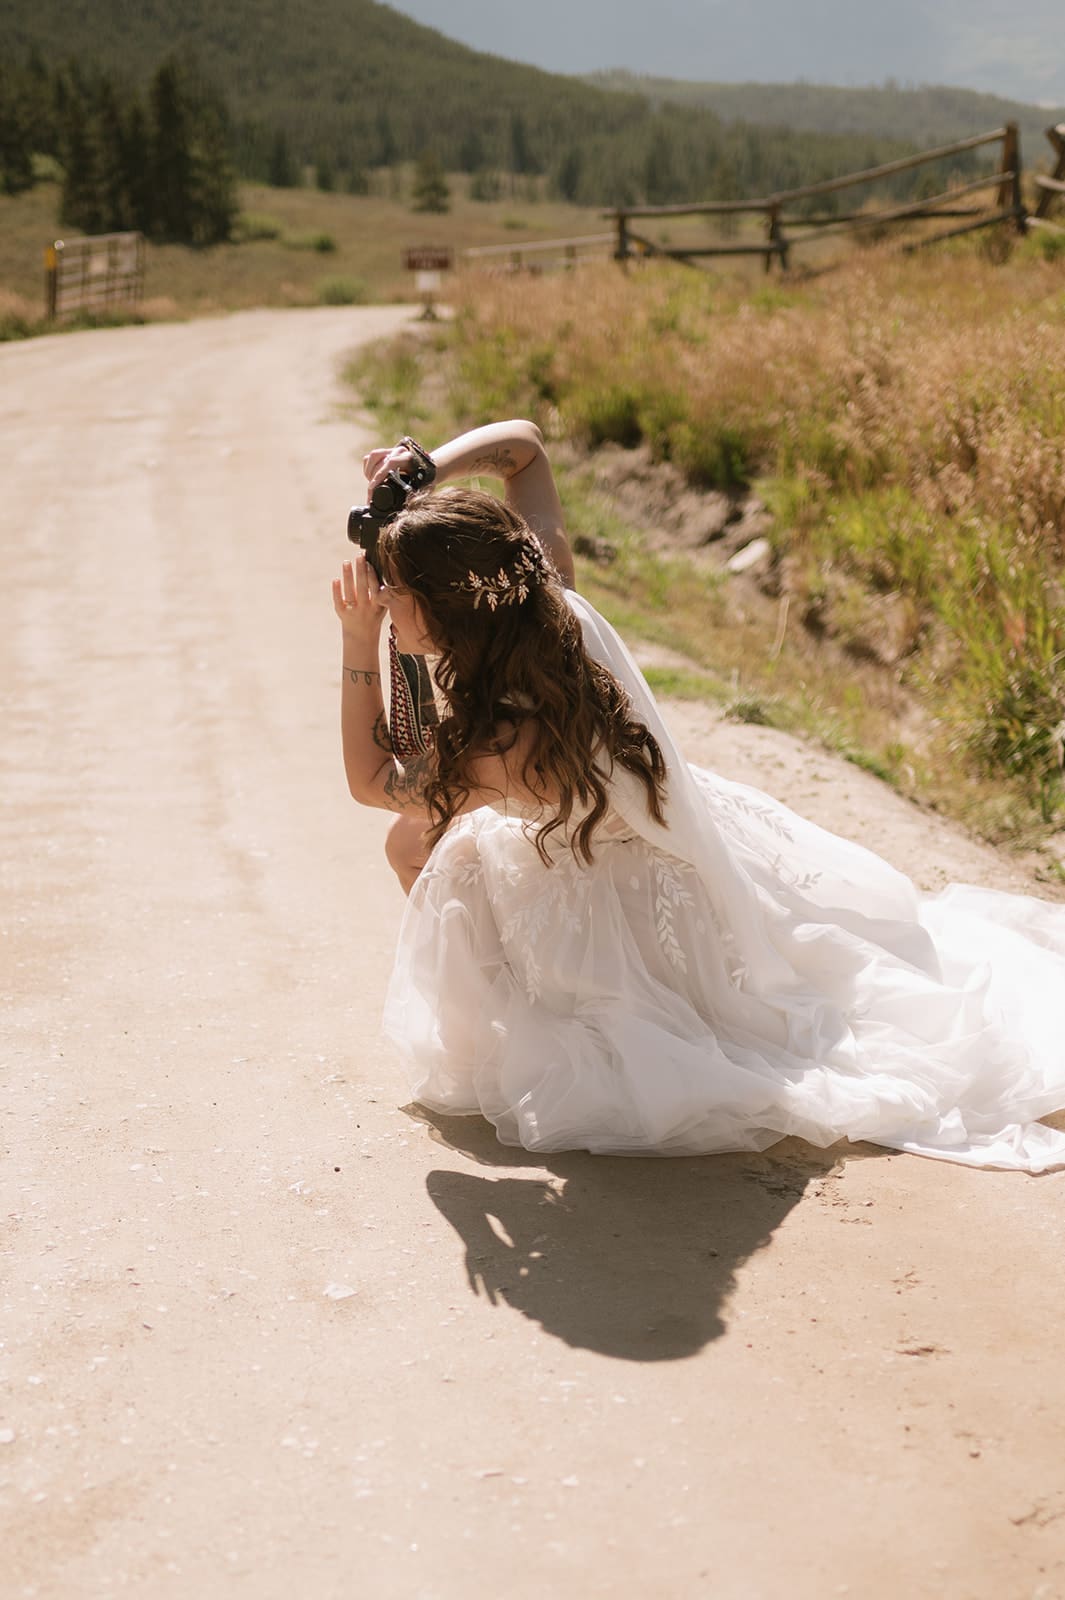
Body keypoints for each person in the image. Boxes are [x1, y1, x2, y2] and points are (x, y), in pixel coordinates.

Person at [332, 420, 1065, 1172]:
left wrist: (358, 643)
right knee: (430, 839)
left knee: (417, 843)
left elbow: (371, 785)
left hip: (616, 889)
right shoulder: (545, 603)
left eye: (391, 589)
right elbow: (523, 447)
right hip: (670, 835)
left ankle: (521, 1003)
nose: (380, 599)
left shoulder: (499, 747)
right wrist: (416, 477)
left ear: (448, 608)